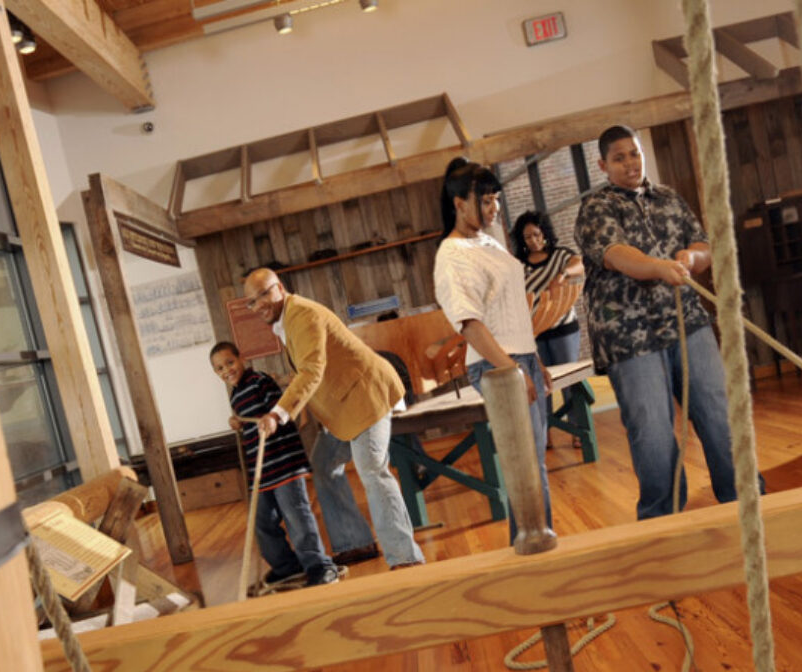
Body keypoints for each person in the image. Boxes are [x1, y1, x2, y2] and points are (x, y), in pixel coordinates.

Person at [574, 124, 764, 520]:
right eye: (620, 157)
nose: (631, 163)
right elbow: (615, 254)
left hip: (688, 323)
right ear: (603, 165)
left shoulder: (670, 199)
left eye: (635, 153)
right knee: (653, 432)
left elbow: (702, 245)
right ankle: (662, 524)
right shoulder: (597, 207)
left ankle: (751, 506)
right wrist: (657, 267)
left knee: (718, 413)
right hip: (629, 338)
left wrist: (692, 260)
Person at [243, 268, 425, 570]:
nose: (259, 304)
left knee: (372, 471)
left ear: (281, 287)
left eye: (264, 293)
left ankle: (406, 558)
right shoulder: (285, 320)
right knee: (324, 464)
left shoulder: (301, 314)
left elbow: (312, 371)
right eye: (252, 301)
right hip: (344, 408)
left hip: (366, 397)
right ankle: (355, 541)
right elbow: (314, 367)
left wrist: (278, 413)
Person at [433, 157, 554, 541]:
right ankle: (533, 551)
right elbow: (469, 324)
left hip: (518, 359)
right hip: (496, 365)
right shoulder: (452, 255)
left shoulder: (487, 240)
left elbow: (512, 310)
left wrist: (534, 360)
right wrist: (512, 371)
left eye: (495, 199)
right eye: (485, 200)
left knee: (534, 466)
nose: (494, 208)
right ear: (459, 204)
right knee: (526, 469)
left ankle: (535, 546)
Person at [209, 341, 339, 588]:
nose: (227, 370)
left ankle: (320, 566)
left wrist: (272, 421)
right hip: (262, 472)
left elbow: (284, 410)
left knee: (297, 517)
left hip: (285, 464)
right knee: (262, 522)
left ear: (241, 358)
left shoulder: (260, 381)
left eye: (230, 362)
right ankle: (286, 566)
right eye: (219, 368)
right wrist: (238, 422)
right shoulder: (236, 395)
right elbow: (251, 419)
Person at [511, 210, 585, 448]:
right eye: (527, 238)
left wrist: (562, 275)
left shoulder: (560, 256)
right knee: (542, 385)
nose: (533, 241)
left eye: (536, 235)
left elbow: (579, 264)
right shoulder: (519, 266)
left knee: (570, 382)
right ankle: (547, 434)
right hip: (535, 333)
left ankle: (578, 431)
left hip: (564, 330)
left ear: (545, 233)